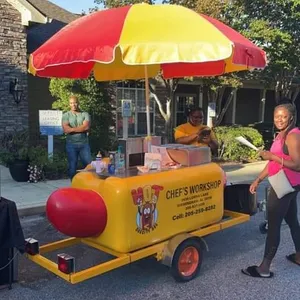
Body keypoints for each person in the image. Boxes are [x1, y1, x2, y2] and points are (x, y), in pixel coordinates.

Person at [242, 101, 300, 278]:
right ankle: (299, 256)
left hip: (285, 185)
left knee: (273, 225)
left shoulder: (292, 135)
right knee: (292, 221)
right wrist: (258, 179)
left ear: (291, 116)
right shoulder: (281, 134)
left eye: (283, 116)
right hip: (285, 184)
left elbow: (297, 165)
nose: (279, 119)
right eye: (276, 116)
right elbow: (273, 162)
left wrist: (272, 155)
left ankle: (264, 268)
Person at [62, 95, 92, 180]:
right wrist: (80, 128)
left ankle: (89, 183)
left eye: (75, 102)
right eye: (71, 103)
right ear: (69, 104)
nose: (73, 105)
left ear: (78, 103)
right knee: (72, 167)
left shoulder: (85, 114)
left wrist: (72, 129)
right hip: (71, 144)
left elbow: (86, 127)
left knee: (89, 165)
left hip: (84, 144)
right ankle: (73, 185)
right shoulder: (66, 115)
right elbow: (66, 129)